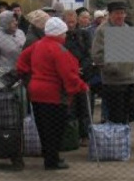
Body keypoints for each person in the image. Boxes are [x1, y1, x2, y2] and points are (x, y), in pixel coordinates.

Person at [17, 17, 89, 170]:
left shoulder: (37, 45)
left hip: (35, 91)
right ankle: (52, 161)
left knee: (43, 128)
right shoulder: (59, 50)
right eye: (63, 33)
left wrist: (27, 74)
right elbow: (68, 75)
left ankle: (49, 157)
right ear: (58, 34)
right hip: (53, 94)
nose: (65, 36)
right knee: (56, 129)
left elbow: (22, 59)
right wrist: (81, 86)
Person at [91, 1, 134, 124]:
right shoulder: (103, 30)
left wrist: (133, 66)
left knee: (128, 116)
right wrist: (114, 69)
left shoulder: (127, 28)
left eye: (122, 13)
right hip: (113, 82)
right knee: (115, 117)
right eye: (117, 13)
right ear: (110, 14)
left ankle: (124, 140)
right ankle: (116, 140)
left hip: (130, 79)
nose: (120, 16)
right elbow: (98, 55)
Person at [62, 9, 94, 146]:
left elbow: (88, 54)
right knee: (70, 108)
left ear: (77, 21)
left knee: (84, 107)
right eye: (68, 22)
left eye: (73, 22)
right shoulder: (62, 37)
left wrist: (81, 69)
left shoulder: (84, 35)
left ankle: (85, 134)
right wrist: (71, 69)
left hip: (83, 75)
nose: (70, 25)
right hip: (68, 75)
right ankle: (72, 134)